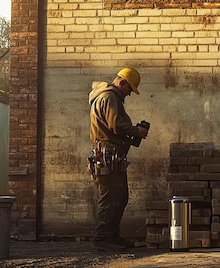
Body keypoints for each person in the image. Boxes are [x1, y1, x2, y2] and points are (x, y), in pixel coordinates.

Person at [87, 67, 149, 251]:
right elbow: (116, 124)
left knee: (120, 197)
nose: (129, 94)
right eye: (129, 89)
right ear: (121, 82)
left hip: (112, 156)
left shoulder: (110, 97)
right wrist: (135, 131)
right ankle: (102, 239)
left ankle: (112, 236)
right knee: (110, 198)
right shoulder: (109, 97)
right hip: (107, 154)